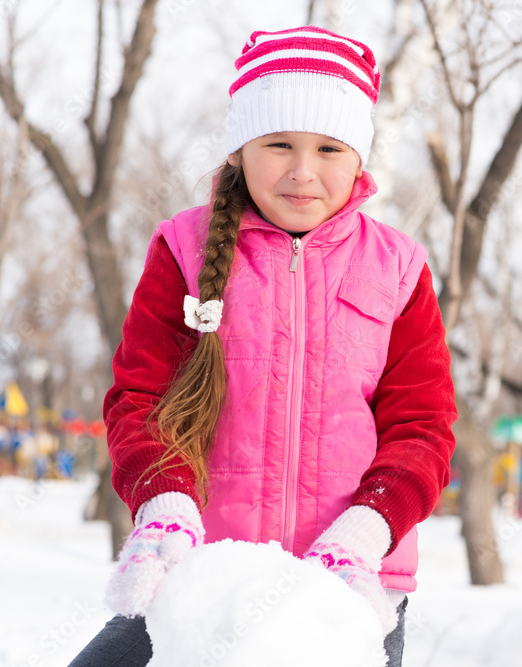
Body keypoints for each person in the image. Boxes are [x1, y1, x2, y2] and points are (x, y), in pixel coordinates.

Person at [69, 25, 457, 667]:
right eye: (279, 144)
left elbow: (423, 428)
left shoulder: (399, 270)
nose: (303, 172)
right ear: (241, 149)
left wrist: (367, 532)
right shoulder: (183, 252)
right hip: (202, 575)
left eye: (330, 148)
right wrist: (164, 508)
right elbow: (141, 398)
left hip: (350, 585)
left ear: (359, 156)